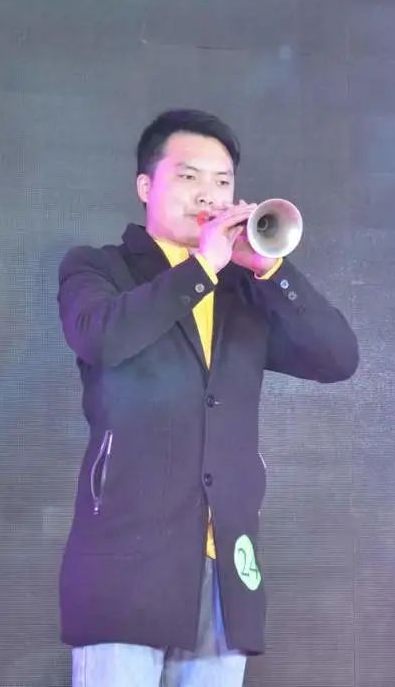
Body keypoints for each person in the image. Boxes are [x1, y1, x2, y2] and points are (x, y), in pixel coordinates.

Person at [56, 108, 359, 686]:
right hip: (127, 563)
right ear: (145, 186)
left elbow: (337, 358)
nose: (208, 195)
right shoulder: (100, 268)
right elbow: (102, 338)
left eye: (222, 182)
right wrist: (203, 266)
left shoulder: (244, 290)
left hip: (224, 568)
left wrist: (271, 272)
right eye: (189, 176)